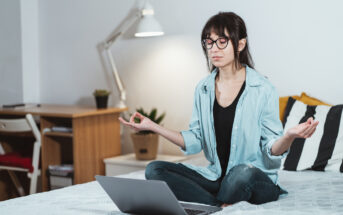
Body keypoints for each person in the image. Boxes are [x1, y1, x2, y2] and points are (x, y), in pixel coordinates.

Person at [118, 12, 319, 208]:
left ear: (240, 44)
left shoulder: (262, 89)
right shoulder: (203, 89)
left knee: (241, 173)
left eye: (222, 41)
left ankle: (214, 200)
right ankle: (218, 205)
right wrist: (153, 126)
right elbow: (195, 141)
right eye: (209, 42)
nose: (214, 48)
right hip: (216, 177)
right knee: (155, 169)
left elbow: (271, 150)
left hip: (255, 179)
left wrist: (289, 136)